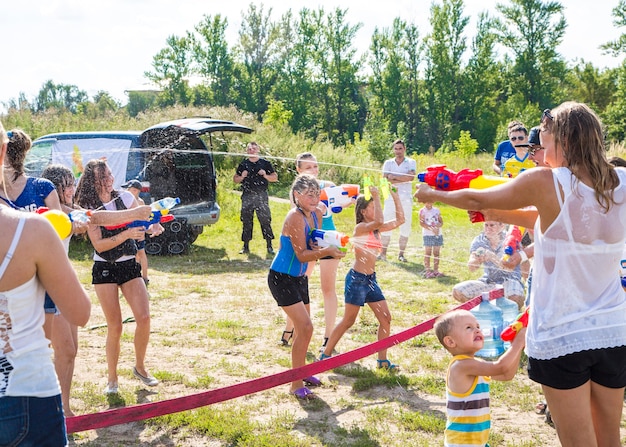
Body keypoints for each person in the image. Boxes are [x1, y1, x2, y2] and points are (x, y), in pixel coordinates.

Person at [416, 102, 626, 446]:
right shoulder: (621, 182)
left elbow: (473, 196)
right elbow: (551, 222)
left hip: (562, 336)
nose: (537, 146)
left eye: (542, 136)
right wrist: (492, 212)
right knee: (610, 441)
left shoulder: (545, 180)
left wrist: (433, 193)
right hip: (614, 333)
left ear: (563, 140)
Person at [0, 122, 91, 446]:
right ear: (2, 153)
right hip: (25, 394)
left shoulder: (39, 204)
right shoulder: (33, 230)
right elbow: (80, 312)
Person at [75, 159, 163, 394]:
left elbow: (144, 218)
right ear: (93, 180)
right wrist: (126, 234)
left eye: (110, 174)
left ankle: (140, 367)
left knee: (143, 317)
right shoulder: (89, 206)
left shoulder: (124, 197)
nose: (109, 180)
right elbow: (100, 246)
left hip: (128, 265)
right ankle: (112, 379)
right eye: (103, 177)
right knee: (115, 326)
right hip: (105, 267)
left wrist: (154, 226)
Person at [267, 174, 346, 400]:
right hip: (282, 278)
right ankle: (295, 384)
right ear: (296, 195)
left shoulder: (314, 215)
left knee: (305, 329)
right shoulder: (295, 217)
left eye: (316, 194)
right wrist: (328, 252)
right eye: (308, 194)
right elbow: (302, 255)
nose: (314, 198)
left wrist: (330, 242)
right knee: (307, 328)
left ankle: (302, 372)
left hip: (299, 279)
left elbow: (313, 242)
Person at [320, 185, 404, 370]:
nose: (376, 211)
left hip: (370, 280)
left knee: (386, 319)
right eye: (373, 207)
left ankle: (382, 361)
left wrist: (395, 196)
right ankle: (325, 355)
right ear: (364, 211)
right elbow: (380, 219)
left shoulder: (376, 228)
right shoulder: (361, 228)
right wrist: (376, 196)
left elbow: (400, 219)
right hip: (357, 280)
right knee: (348, 321)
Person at [280, 153, 353, 351]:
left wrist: (348, 199)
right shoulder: (297, 192)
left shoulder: (328, 186)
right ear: (299, 171)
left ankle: (329, 336)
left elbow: (342, 202)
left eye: (316, 166)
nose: (314, 170)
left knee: (328, 289)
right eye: (308, 167)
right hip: (308, 241)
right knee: (298, 286)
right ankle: (291, 327)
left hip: (329, 240)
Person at [434, 310, 526, 446]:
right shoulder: (461, 366)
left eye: (478, 326)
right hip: (462, 443)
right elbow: (501, 367)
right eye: (468, 328)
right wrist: (517, 343)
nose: (477, 330)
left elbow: (507, 374)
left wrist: (517, 346)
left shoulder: (476, 364)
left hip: (477, 441)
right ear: (451, 341)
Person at [452, 221, 525, 308]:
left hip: (510, 280)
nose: (488, 228)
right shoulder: (480, 240)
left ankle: (511, 314)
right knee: (458, 291)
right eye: (486, 225)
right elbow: (471, 267)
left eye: (492, 225)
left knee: (515, 298)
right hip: (488, 281)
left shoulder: (511, 240)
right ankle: (486, 311)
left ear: (502, 226)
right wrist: (476, 260)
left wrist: (492, 257)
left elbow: (509, 267)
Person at [234, 142, 278, 255]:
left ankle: (269, 246)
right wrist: (242, 176)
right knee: (246, 221)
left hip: (261, 195)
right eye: (249, 149)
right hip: (247, 195)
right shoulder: (243, 164)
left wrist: (265, 175)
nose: (251, 150)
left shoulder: (265, 163)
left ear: (258, 149)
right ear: (247, 151)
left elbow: (274, 178)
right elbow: (235, 179)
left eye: (253, 148)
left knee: (265, 220)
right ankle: (245, 247)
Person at [379, 139, 416, 262]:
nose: (398, 151)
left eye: (400, 148)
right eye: (396, 148)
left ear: (404, 149)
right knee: (387, 222)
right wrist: (401, 178)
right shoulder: (388, 163)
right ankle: (383, 253)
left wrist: (393, 177)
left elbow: (410, 177)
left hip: (405, 198)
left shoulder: (411, 162)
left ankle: (401, 254)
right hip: (390, 197)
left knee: (405, 223)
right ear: (393, 149)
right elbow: (385, 179)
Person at [122, 179, 150, 285]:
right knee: (137, 254)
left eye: (129, 189)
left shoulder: (138, 202)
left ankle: (144, 277)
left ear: (135, 190)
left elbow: (144, 218)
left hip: (136, 232)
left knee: (139, 253)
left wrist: (143, 230)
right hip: (134, 231)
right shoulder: (139, 201)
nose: (127, 191)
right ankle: (139, 276)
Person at [419, 201, 444, 278]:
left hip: (438, 234)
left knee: (436, 253)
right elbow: (421, 223)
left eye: (430, 202)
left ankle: (436, 270)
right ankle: (428, 271)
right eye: (426, 202)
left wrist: (438, 227)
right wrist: (431, 229)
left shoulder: (437, 210)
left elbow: (441, 222)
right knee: (428, 253)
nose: (428, 204)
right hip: (428, 235)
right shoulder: (422, 211)